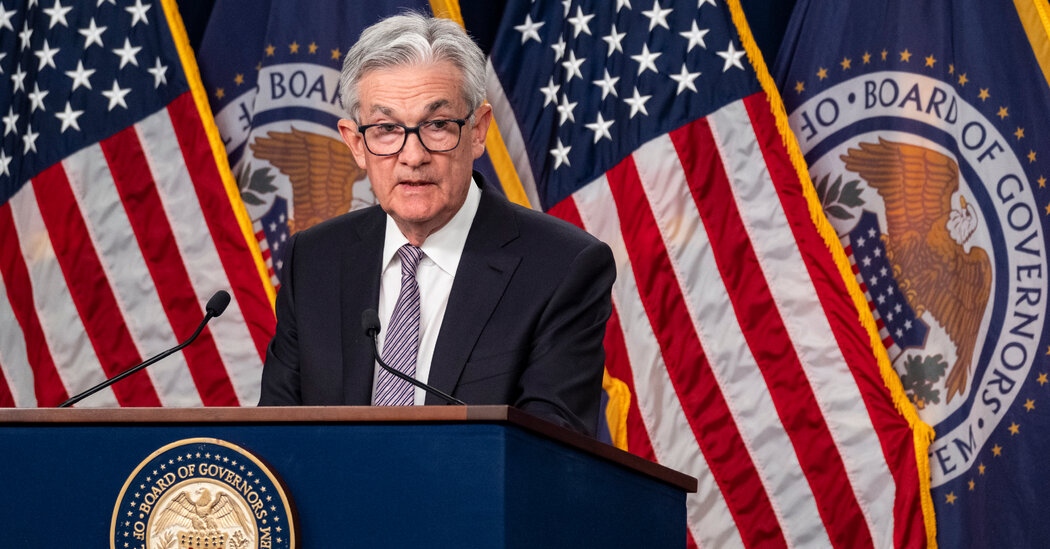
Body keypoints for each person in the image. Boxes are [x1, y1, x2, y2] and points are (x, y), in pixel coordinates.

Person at [258, 12, 615, 436]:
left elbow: (544, 452)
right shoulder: (314, 259)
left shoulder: (562, 267)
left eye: (437, 125)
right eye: (387, 129)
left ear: (478, 131)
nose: (413, 156)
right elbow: (274, 435)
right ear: (356, 144)